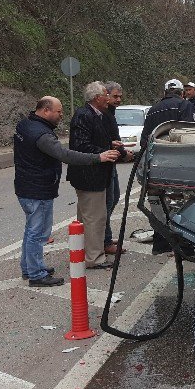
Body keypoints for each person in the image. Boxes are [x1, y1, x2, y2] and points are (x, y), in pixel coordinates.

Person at [14, 96, 119, 286]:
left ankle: (29, 268)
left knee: (32, 230)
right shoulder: (42, 135)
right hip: (37, 188)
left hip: (27, 186)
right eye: (58, 111)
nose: (61, 115)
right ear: (46, 111)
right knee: (38, 232)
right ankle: (36, 274)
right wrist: (98, 157)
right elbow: (65, 155)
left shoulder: (25, 124)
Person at [140, 79, 195, 255]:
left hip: (155, 164)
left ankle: (161, 244)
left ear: (164, 92)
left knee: (158, 204)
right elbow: (191, 134)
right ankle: (184, 246)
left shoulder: (153, 110)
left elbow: (144, 139)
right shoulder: (184, 106)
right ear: (181, 93)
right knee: (179, 204)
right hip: (177, 163)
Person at [67, 81, 121, 269]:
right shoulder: (83, 115)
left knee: (87, 218)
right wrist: (104, 153)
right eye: (107, 94)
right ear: (98, 98)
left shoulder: (95, 115)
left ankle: (82, 252)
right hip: (89, 176)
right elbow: (80, 145)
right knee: (95, 218)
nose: (109, 99)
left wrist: (112, 146)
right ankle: (94, 258)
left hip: (94, 175)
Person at [103, 81, 133, 255]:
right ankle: (104, 240)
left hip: (111, 164)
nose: (118, 100)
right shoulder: (103, 114)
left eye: (120, 96)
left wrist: (121, 151)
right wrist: (123, 153)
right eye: (115, 96)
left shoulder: (110, 113)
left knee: (113, 199)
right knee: (107, 202)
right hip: (104, 163)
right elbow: (105, 139)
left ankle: (105, 236)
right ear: (104, 95)